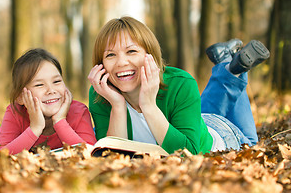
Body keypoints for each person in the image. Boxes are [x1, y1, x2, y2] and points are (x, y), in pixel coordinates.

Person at [88, 16, 270, 154]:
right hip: (193, 122)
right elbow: (111, 158)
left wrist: (148, 106)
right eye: (110, 55)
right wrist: (118, 106)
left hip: (221, 139)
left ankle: (234, 71)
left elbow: (188, 154)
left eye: (131, 51)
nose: (121, 63)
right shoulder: (101, 93)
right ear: (101, 64)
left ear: (149, 55)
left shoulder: (180, 83)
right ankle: (228, 66)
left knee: (252, 146)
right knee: (202, 113)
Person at [0, 48, 96, 155]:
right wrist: (35, 128)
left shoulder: (78, 111)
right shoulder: (15, 113)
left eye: (56, 81)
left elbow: (91, 153)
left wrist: (60, 121)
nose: (51, 90)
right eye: (39, 85)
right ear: (20, 97)